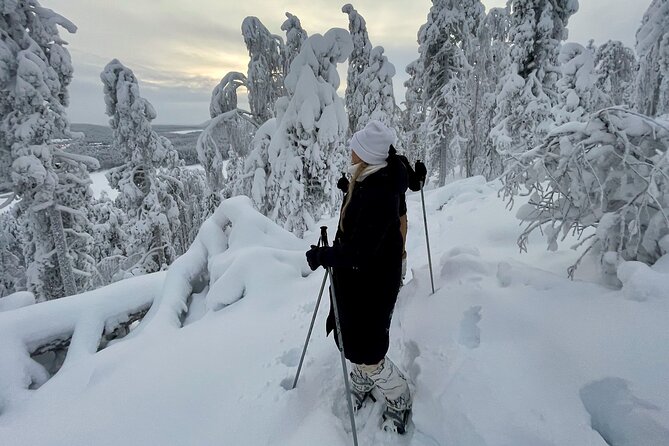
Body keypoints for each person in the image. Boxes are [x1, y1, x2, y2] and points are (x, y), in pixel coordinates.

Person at [306, 120, 412, 434]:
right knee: (354, 334)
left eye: (356, 146)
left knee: (368, 347)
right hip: (361, 280)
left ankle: (397, 396)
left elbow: (360, 251)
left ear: (366, 154)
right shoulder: (369, 179)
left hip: (371, 282)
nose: (350, 149)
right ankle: (365, 375)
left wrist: (324, 256)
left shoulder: (378, 193)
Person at [337, 150, 426, 285]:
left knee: (379, 251)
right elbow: (415, 185)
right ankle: (397, 280)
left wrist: (347, 187)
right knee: (396, 249)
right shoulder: (399, 161)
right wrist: (421, 175)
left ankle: (392, 281)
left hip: (379, 215)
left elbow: (364, 189)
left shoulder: (369, 162)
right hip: (397, 214)